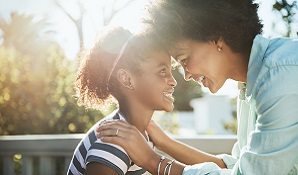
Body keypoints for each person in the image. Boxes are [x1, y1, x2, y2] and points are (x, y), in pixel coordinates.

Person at [96, 0, 298, 174]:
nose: (186, 75)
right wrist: (165, 143)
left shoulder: (279, 77)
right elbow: (236, 165)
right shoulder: (249, 85)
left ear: (216, 37)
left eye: (184, 60)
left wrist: (153, 161)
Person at [67, 26, 177, 175]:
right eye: (162, 71)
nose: (173, 81)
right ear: (127, 79)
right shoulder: (113, 143)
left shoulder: (141, 135)